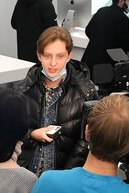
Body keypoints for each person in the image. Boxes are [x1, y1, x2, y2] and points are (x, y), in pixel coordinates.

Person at [15, 26, 98, 175]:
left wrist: (64, 178)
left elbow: (86, 142)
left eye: (60, 56)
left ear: (69, 56)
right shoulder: (24, 89)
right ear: (39, 55)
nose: (53, 63)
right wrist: (31, 134)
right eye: (47, 56)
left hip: (65, 176)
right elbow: (11, 128)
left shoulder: (86, 92)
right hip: (25, 172)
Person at [83, 0, 129, 66]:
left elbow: (88, 30)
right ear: (121, 1)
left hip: (90, 57)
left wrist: (97, 42)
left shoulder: (101, 11)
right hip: (107, 62)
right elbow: (124, 43)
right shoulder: (122, 18)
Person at [10, 0, 57, 64]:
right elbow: (52, 29)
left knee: (25, 70)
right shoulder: (46, 1)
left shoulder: (21, 0)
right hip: (40, 48)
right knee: (38, 71)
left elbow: (14, 23)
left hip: (22, 47)